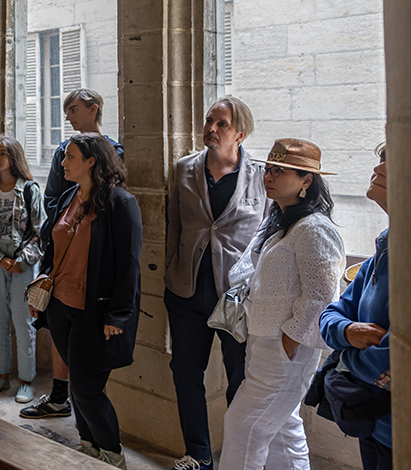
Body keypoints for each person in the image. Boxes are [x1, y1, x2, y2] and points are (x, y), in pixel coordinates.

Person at [219, 139, 345, 470]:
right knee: (282, 431)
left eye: (280, 170)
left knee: (243, 426)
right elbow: (245, 271)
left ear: (307, 180)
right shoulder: (279, 220)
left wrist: (288, 343)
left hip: (286, 350)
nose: (269, 176)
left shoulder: (314, 228)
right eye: (268, 168)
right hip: (264, 342)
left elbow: (321, 297)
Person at [164, 96, 266, 470]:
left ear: (239, 133)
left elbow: (266, 235)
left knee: (240, 376)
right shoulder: (183, 169)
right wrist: (173, 267)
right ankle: (199, 454)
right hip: (187, 288)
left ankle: (239, 456)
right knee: (186, 372)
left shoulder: (260, 174)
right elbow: (174, 223)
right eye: (209, 120)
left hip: (236, 295)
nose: (211, 128)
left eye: (221, 124)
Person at [33, 133, 142, 468]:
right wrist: (44, 276)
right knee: (78, 388)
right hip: (61, 306)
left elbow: (129, 265)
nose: (63, 163)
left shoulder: (120, 203)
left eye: (70, 157)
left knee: (86, 390)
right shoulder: (70, 195)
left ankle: (112, 453)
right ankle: (89, 446)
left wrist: (118, 316)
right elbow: (54, 245)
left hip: (95, 311)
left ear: (91, 161)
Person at [23, 88, 123, 420]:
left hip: (94, 258)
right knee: (57, 322)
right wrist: (64, 226)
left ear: (94, 109)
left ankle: (88, 406)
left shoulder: (114, 149)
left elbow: (116, 200)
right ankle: (58, 395)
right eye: (66, 109)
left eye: (74, 109)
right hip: (63, 246)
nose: (68, 116)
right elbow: (53, 196)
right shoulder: (62, 152)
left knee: (87, 338)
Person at [320, 144, 391, 470]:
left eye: (391, 160)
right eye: (380, 157)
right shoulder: (385, 246)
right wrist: (349, 330)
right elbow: (331, 313)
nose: (378, 167)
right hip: (370, 420)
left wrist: (346, 356)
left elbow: (396, 357)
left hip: (397, 425)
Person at [0, 135, 46, 403]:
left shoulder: (30, 190)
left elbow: (41, 234)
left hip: (23, 268)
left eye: (3, 153)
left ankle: (26, 380)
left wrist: (21, 261)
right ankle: (2, 375)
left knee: (23, 321)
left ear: (13, 157)